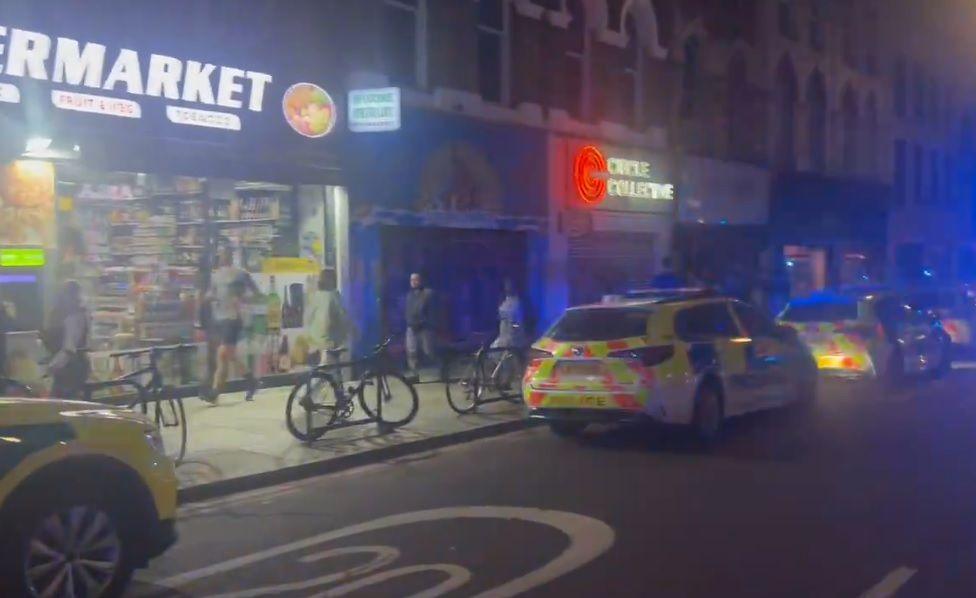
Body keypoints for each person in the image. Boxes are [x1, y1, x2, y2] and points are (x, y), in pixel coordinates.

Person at [204, 246, 261, 404]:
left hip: (234, 317)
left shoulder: (240, 274)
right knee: (225, 355)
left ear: (230, 255)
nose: (223, 256)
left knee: (224, 352)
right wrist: (208, 298)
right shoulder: (215, 275)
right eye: (221, 253)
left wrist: (242, 299)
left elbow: (256, 292)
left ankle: (215, 391)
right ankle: (250, 381)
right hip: (220, 318)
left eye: (225, 253)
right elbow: (212, 293)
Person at [45, 280, 90, 399]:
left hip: (69, 367)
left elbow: (69, 349)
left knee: (61, 402)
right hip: (76, 364)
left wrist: (51, 367)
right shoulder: (81, 314)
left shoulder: (71, 317)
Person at [305, 269, 352, 366]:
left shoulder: (315, 296)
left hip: (314, 345)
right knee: (331, 374)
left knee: (318, 375)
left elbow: (307, 318)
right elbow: (343, 318)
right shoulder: (333, 296)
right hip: (330, 344)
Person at [405, 272, 436, 376]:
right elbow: (407, 311)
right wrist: (409, 322)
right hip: (412, 327)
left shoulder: (428, 293)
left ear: (420, 280)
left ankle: (440, 369)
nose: (413, 282)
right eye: (411, 280)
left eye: (416, 279)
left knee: (428, 350)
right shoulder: (409, 296)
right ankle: (414, 374)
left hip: (424, 327)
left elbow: (432, 311)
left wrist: (426, 322)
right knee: (411, 351)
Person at [492, 279, 525, 349]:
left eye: (509, 284)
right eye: (506, 284)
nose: (507, 287)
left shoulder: (516, 303)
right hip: (503, 333)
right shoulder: (505, 300)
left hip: (511, 338)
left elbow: (517, 323)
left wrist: (513, 331)